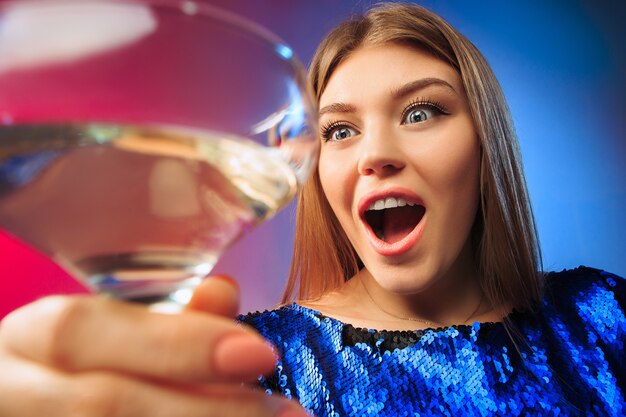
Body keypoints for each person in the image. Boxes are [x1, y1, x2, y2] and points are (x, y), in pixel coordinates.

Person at [0, 3, 623, 416]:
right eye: (339, 131)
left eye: (420, 112)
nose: (375, 155)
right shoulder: (245, 366)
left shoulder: (606, 316)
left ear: (485, 142)